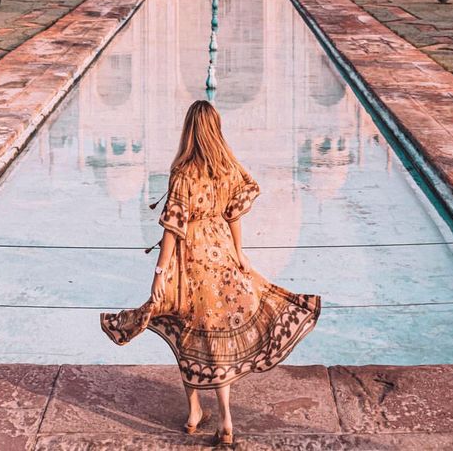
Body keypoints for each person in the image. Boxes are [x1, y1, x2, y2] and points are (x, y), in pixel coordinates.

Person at [101, 100, 320, 445]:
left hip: (190, 263)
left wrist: (160, 273)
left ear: (189, 130)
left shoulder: (183, 172)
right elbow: (235, 214)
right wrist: (239, 254)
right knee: (219, 340)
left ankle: (194, 412)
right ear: (216, 129)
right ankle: (226, 420)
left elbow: (173, 228)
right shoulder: (227, 167)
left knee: (188, 334)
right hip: (223, 259)